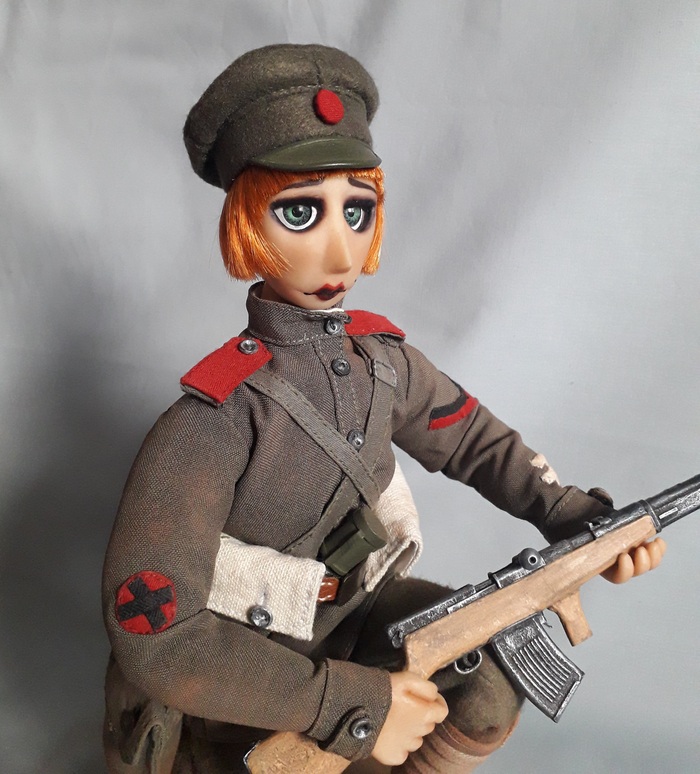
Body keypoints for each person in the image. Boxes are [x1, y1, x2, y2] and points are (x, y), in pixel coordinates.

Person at [102, 44, 665, 774]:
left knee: (486, 681)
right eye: (300, 212)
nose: (340, 251)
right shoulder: (213, 420)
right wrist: (354, 704)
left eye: (358, 210)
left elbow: (475, 443)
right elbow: (158, 636)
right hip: (246, 675)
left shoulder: (385, 364)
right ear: (245, 222)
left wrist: (577, 522)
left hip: (355, 618)